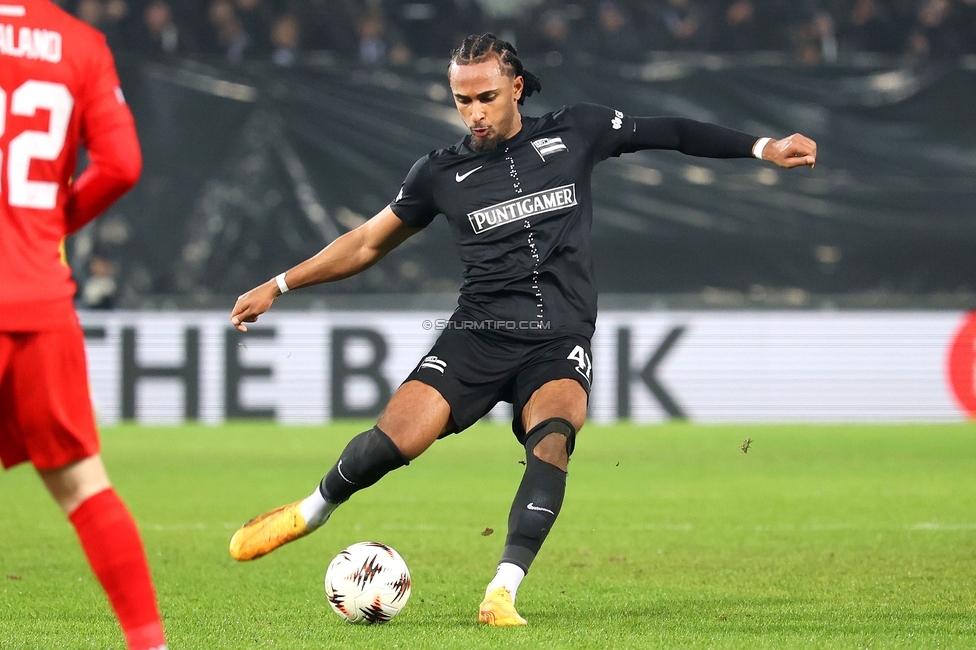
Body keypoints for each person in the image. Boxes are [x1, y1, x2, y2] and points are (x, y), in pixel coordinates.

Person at [227, 33, 816, 626]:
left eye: (485, 96)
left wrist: (764, 147)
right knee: (392, 443)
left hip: (558, 338)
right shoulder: (438, 173)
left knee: (554, 437)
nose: (474, 112)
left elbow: (673, 132)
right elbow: (366, 242)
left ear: (515, 87)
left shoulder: (577, 130)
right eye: (462, 101)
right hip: (478, 332)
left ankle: (502, 591)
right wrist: (278, 285)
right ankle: (311, 512)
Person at [0, 1, 166, 648]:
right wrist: (50, 224)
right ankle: (148, 644)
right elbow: (122, 164)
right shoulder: (79, 44)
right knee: (82, 484)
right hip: (41, 300)